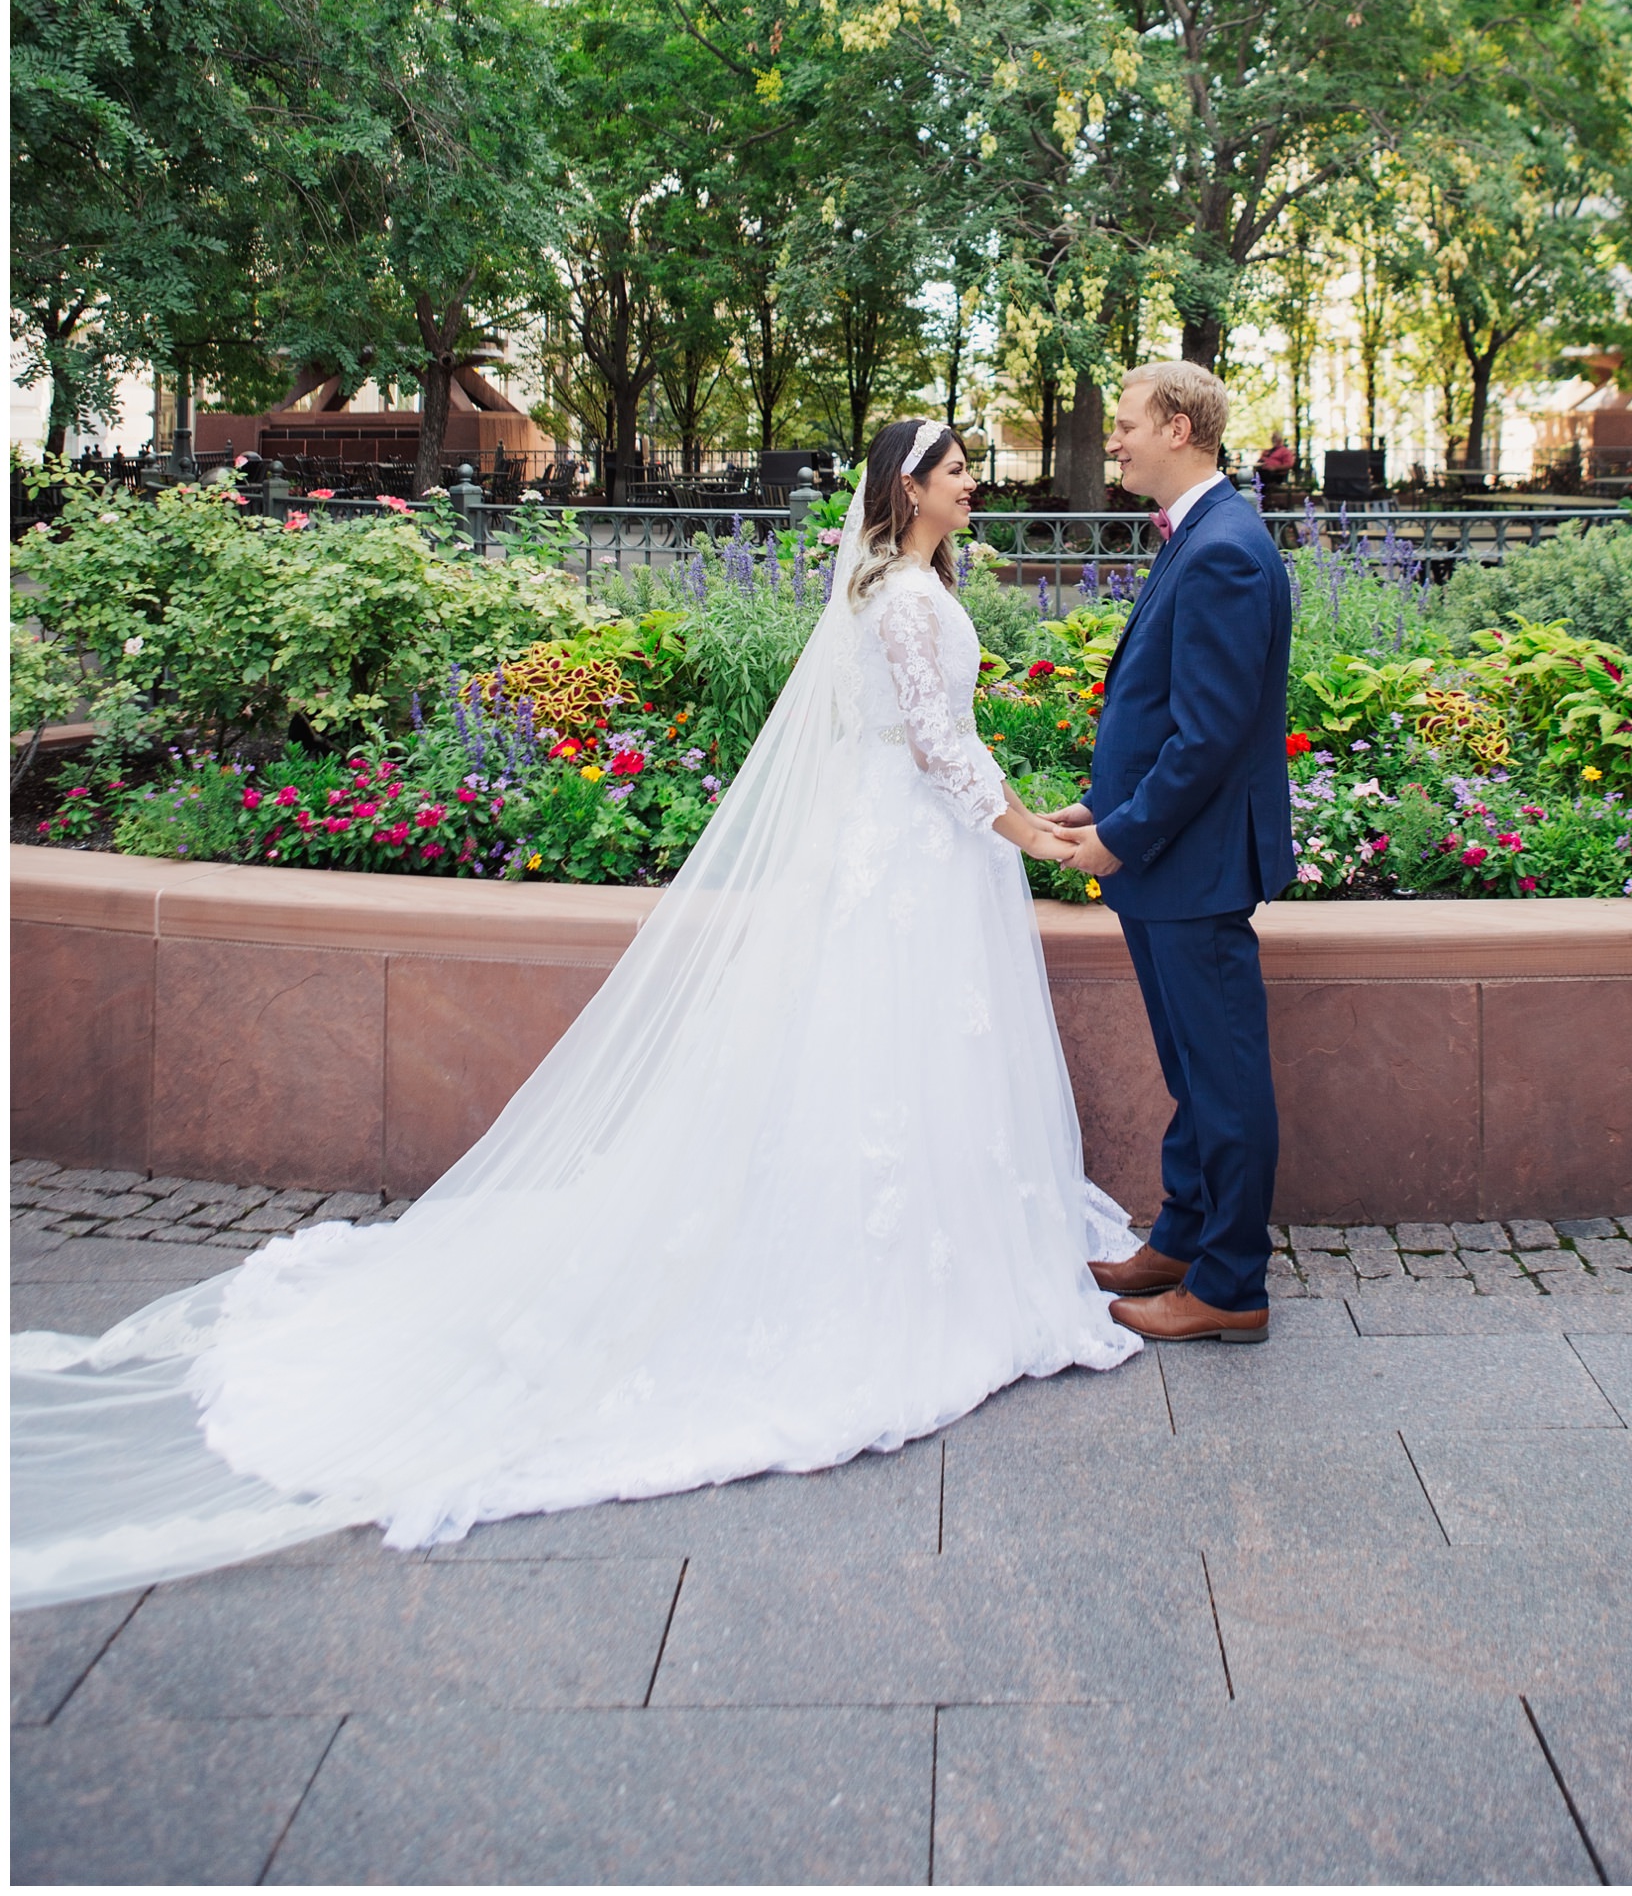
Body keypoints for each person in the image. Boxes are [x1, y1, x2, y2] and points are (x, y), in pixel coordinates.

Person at [12, 421, 1139, 1610]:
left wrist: (1018, 814)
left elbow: (936, 745)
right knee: (891, 1047)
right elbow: (932, 743)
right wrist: (1033, 834)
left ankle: (913, 1221)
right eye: (956, 466)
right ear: (909, 486)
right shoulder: (905, 597)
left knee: (879, 1053)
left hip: (904, 849)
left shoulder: (893, 581)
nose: (974, 480)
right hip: (908, 851)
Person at [1051, 364, 1295, 1344]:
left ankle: (1229, 1282)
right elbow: (1165, 712)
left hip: (1190, 866)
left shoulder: (1225, 548)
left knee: (1222, 1077)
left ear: (1179, 426)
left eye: (1124, 426)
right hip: (1165, 860)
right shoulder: (1197, 534)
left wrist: (1119, 834)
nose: (1114, 442)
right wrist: (1098, 804)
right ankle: (1186, 1236)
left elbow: (1207, 734)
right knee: (1193, 1071)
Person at [1254, 426, 1295, 509]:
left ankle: (1262, 502)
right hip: (1263, 472)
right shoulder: (1267, 451)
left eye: (1275, 437)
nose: (1273, 439)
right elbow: (1260, 461)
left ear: (1280, 439)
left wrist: (1275, 468)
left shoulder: (1285, 451)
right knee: (1255, 475)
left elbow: (1289, 465)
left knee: (1262, 478)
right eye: (1273, 437)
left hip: (1276, 475)